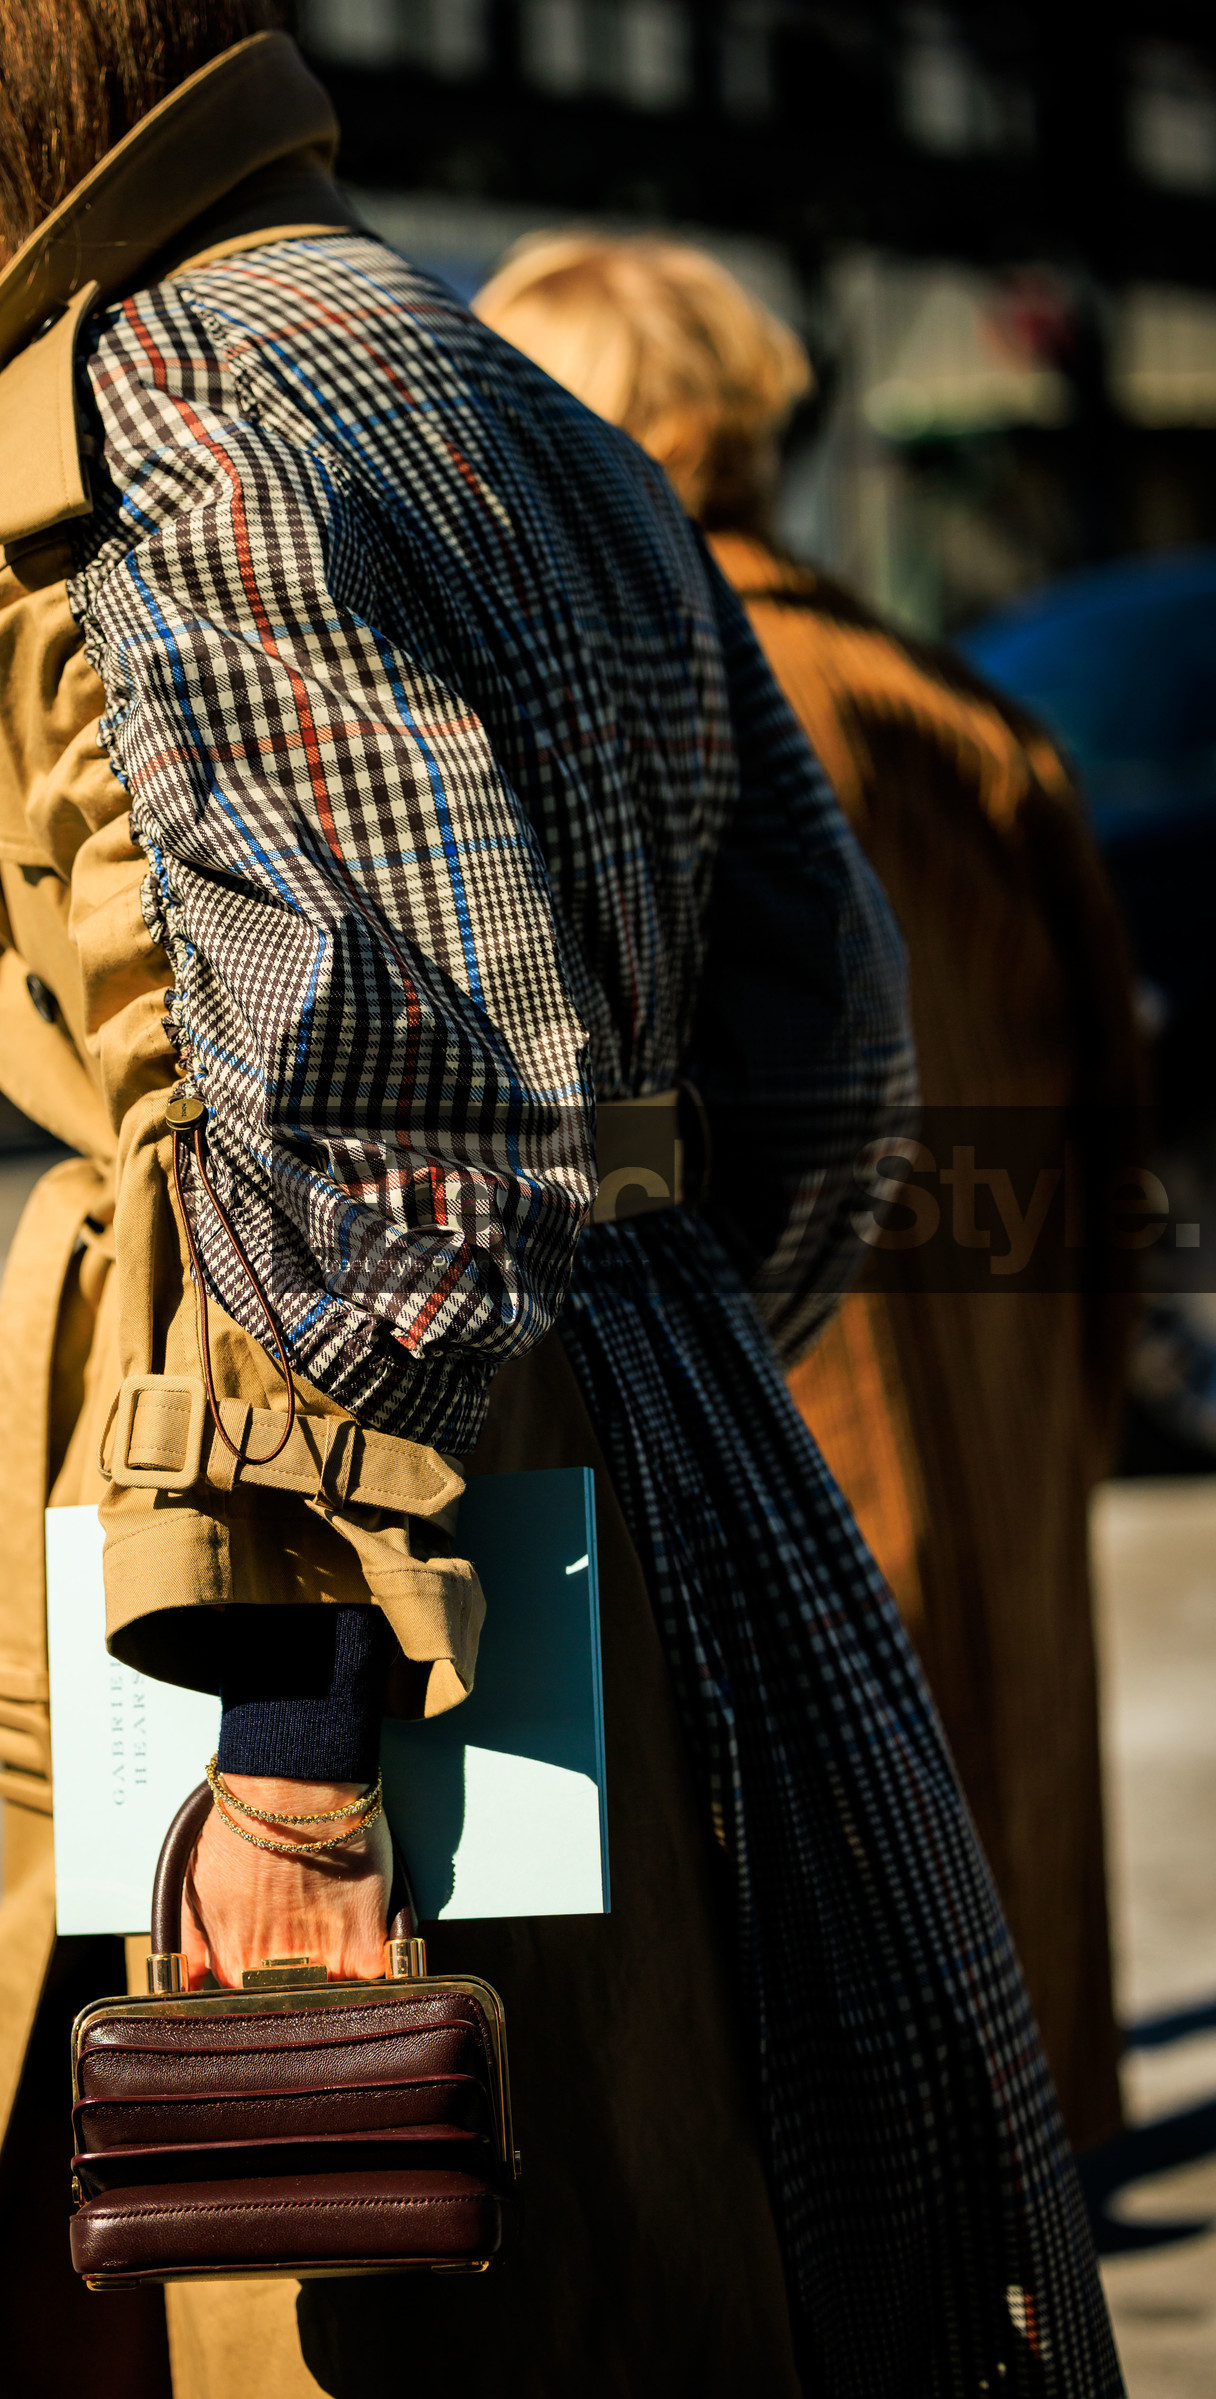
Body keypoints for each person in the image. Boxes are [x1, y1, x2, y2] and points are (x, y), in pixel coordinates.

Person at [0, 11, 1121, 2397]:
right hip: (558, 1473)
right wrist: (636, 1364)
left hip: (308, 1564)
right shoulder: (485, 374)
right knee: (595, 2197)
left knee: (340, 2251)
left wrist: (293, 1741)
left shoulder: (170, 407)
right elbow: (822, 1020)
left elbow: (386, 1135)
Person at [474, 231, 1144, 2157]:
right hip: (1006, 1380)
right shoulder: (957, 698)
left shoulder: (656, 704)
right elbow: (1109, 1106)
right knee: (999, 1911)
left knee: (818, 2034)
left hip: (775, 1394)